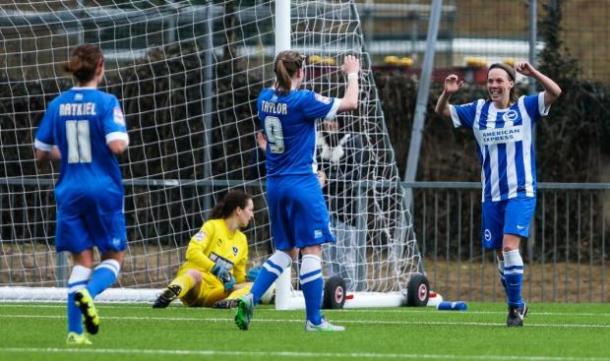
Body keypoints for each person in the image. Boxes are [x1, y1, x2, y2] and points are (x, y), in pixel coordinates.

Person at [234, 50, 360, 332]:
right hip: (303, 183)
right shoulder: (302, 100)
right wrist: (352, 72)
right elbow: (351, 102)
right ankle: (314, 320)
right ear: (300, 73)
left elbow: (277, 137)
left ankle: (251, 297)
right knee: (312, 248)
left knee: (286, 250)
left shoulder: (264, 98)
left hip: (276, 184)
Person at [435, 61, 561, 327]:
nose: (493, 85)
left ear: (510, 84)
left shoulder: (525, 107)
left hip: (521, 191)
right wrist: (447, 92)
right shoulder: (478, 110)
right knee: (501, 256)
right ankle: (518, 304)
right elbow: (442, 111)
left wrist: (534, 73)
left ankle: (514, 309)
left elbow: (555, 92)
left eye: (499, 81)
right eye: (490, 81)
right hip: (491, 195)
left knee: (509, 246)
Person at [34, 44, 129, 345]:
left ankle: (75, 333)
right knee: (114, 258)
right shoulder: (106, 102)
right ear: (100, 66)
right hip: (102, 189)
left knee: (81, 262)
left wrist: (69, 153)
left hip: (69, 191)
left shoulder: (57, 104)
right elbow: (117, 146)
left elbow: (40, 152)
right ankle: (88, 294)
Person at [152, 190, 254, 308]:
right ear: (238, 210)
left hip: (215, 294)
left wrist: (247, 279)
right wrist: (215, 269)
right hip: (195, 287)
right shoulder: (212, 226)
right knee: (194, 274)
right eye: (250, 210)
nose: (252, 215)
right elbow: (192, 252)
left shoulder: (242, 240)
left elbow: (239, 277)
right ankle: (170, 293)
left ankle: (228, 302)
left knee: (253, 286)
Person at [317, 129, 370, 291]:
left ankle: (352, 291)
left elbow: (355, 174)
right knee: (329, 256)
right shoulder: (318, 143)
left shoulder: (353, 140)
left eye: (334, 120)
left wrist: (328, 179)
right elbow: (318, 172)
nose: (330, 124)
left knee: (346, 256)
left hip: (347, 210)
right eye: (327, 120)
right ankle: (334, 292)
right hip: (324, 208)